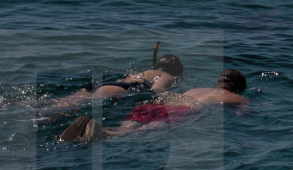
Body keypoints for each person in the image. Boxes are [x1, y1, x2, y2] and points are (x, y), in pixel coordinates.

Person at [59, 68, 249, 143]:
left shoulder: (197, 89)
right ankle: (104, 134)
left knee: (132, 124)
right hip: (185, 108)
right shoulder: (233, 97)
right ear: (238, 88)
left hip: (163, 102)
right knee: (152, 127)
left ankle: (98, 130)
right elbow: (243, 114)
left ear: (218, 82)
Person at [45, 53, 186, 111]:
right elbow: (157, 91)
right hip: (122, 89)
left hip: (112, 83)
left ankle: (35, 105)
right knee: (73, 106)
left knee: (68, 100)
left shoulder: (143, 73)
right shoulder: (167, 76)